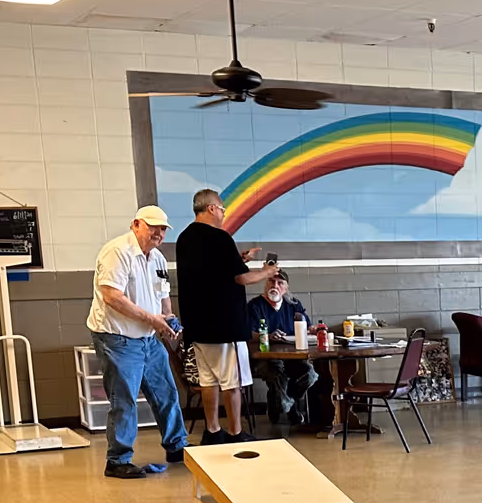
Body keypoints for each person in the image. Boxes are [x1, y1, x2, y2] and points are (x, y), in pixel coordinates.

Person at [87, 206, 188, 479]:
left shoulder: (158, 259)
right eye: (153, 226)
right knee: (124, 399)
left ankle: (178, 447)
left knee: (166, 392)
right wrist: (153, 320)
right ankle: (117, 460)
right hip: (117, 338)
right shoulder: (116, 252)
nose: (159, 233)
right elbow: (112, 296)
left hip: (148, 338)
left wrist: (167, 318)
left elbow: (163, 294)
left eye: (163, 229)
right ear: (136, 225)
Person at [175, 188, 260, 445]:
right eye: (222, 209)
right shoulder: (220, 238)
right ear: (212, 208)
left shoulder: (184, 239)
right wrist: (267, 271)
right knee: (232, 382)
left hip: (198, 326)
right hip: (225, 326)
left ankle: (212, 431)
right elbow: (240, 277)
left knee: (208, 381)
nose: (223, 214)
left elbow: (210, 270)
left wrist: (237, 258)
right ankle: (236, 433)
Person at [247, 266, 319, 425]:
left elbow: (307, 326)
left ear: (286, 288)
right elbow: (248, 333)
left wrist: (312, 329)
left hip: (292, 357)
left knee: (310, 375)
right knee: (276, 372)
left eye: (280, 283)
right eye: (272, 281)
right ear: (266, 284)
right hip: (265, 358)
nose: (275, 286)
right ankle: (291, 409)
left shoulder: (293, 304)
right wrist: (267, 336)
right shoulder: (255, 305)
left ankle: (280, 400)